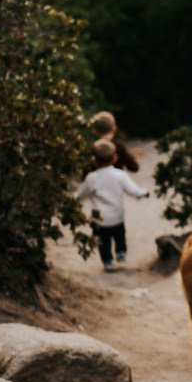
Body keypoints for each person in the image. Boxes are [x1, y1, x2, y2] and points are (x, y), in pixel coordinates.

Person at [76, 138, 148, 272]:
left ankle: (108, 261)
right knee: (119, 235)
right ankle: (121, 253)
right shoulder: (120, 175)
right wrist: (143, 193)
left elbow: (81, 194)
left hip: (99, 220)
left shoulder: (92, 178)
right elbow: (133, 190)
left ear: (93, 160)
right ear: (115, 158)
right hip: (117, 216)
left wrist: (74, 200)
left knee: (103, 241)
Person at [88, 110, 142, 175]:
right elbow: (134, 167)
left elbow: (86, 173)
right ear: (114, 128)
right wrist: (130, 156)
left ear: (95, 131)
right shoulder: (119, 146)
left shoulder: (92, 147)